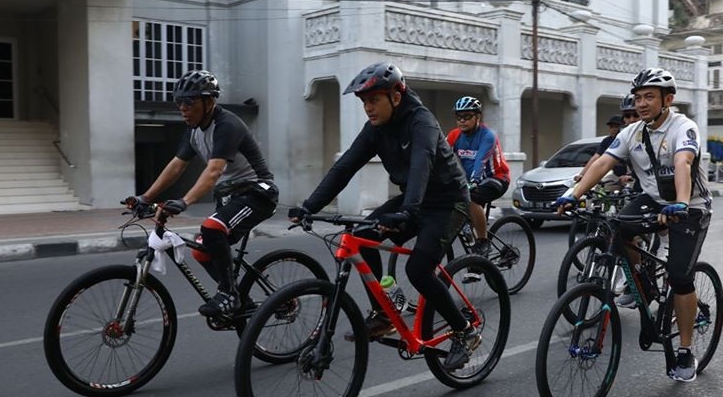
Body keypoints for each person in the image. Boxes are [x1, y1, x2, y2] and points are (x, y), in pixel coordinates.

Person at [288, 62, 478, 371]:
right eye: (364, 101)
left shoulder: (422, 122)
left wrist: (407, 211)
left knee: (418, 270)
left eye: (374, 100)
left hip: (448, 202)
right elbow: (345, 166)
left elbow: (421, 164)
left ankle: (464, 330)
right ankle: (383, 314)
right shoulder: (375, 129)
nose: (368, 108)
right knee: (362, 238)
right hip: (412, 200)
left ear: (396, 97)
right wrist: (310, 205)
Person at [555, 67, 712, 383]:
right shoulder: (632, 132)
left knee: (680, 276)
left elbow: (683, 162)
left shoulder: (683, 127)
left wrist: (681, 203)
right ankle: (640, 281)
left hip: (690, 206)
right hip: (652, 199)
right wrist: (573, 194)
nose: (641, 104)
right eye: (638, 97)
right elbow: (603, 163)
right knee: (618, 227)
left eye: (649, 97)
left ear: (668, 100)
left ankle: (684, 350)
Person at [125, 70, 278, 318]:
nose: (182, 108)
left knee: (212, 228)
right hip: (230, 195)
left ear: (209, 101)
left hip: (257, 192)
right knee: (201, 249)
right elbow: (177, 165)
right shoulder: (194, 129)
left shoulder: (227, 125)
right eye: (178, 102)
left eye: (189, 101)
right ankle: (241, 300)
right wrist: (146, 197)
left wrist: (185, 201)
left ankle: (229, 294)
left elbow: (214, 171)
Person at [447, 96, 511, 257]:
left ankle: (483, 241)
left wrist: (474, 181)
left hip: (497, 179)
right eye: (458, 117)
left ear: (477, 117)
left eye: (467, 116)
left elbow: (480, 162)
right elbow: (440, 157)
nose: (462, 120)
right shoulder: (454, 135)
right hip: (471, 181)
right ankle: (477, 259)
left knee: (471, 199)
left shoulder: (487, 135)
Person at [575, 114, 624, 182]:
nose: (613, 129)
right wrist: (582, 174)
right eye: (611, 127)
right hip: (615, 175)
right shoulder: (607, 141)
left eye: (616, 126)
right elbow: (596, 157)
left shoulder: (626, 139)